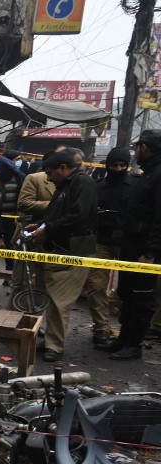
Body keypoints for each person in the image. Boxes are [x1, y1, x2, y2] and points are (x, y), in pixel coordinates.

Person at [27, 150, 98, 363]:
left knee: (60, 300)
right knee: (52, 298)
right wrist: (41, 225)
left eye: (51, 173)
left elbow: (77, 216)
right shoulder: (66, 185)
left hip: (72, 250)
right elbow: (56, 213)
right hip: (58, 248)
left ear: (63, 168)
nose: (49, 178)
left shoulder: (82, 183)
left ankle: (55, 346)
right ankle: (51, 339)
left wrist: (48, 229)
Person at [101, 132, 161, 359]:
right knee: (127, 292)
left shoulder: (158, 175)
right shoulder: (149, 174)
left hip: (145, 249)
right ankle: (123, 339)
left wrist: (150, 252)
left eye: (138, 148)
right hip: (132, 243)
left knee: (141, 297)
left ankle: (133, 345)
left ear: (144, 148)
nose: (135, 152)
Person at [86, 147, 130, 349]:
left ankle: (128, 328)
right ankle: (101, 327)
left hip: (127, 243)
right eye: (114, 165)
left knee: (129, 288)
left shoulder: (136, 187)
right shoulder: (97, 188)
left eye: (122, 165)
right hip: (101, 242)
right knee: (96, 285)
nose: (118, 169)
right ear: (107, 166)